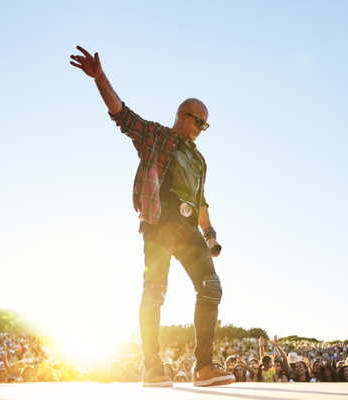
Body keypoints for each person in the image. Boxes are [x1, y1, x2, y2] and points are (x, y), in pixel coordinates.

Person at [69, 46, 233, 388]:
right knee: (155, 291)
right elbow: (123, 116)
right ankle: (152, 367)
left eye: (206, 124)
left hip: (189, 227)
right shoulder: (157, 136)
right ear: (182, 115)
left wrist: (212, 236)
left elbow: (201, 201)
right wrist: (100, 79)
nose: (201, 129)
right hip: (160, 222)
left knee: (211, 287)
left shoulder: (200, 161)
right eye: (197, 121)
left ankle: (203, 367)